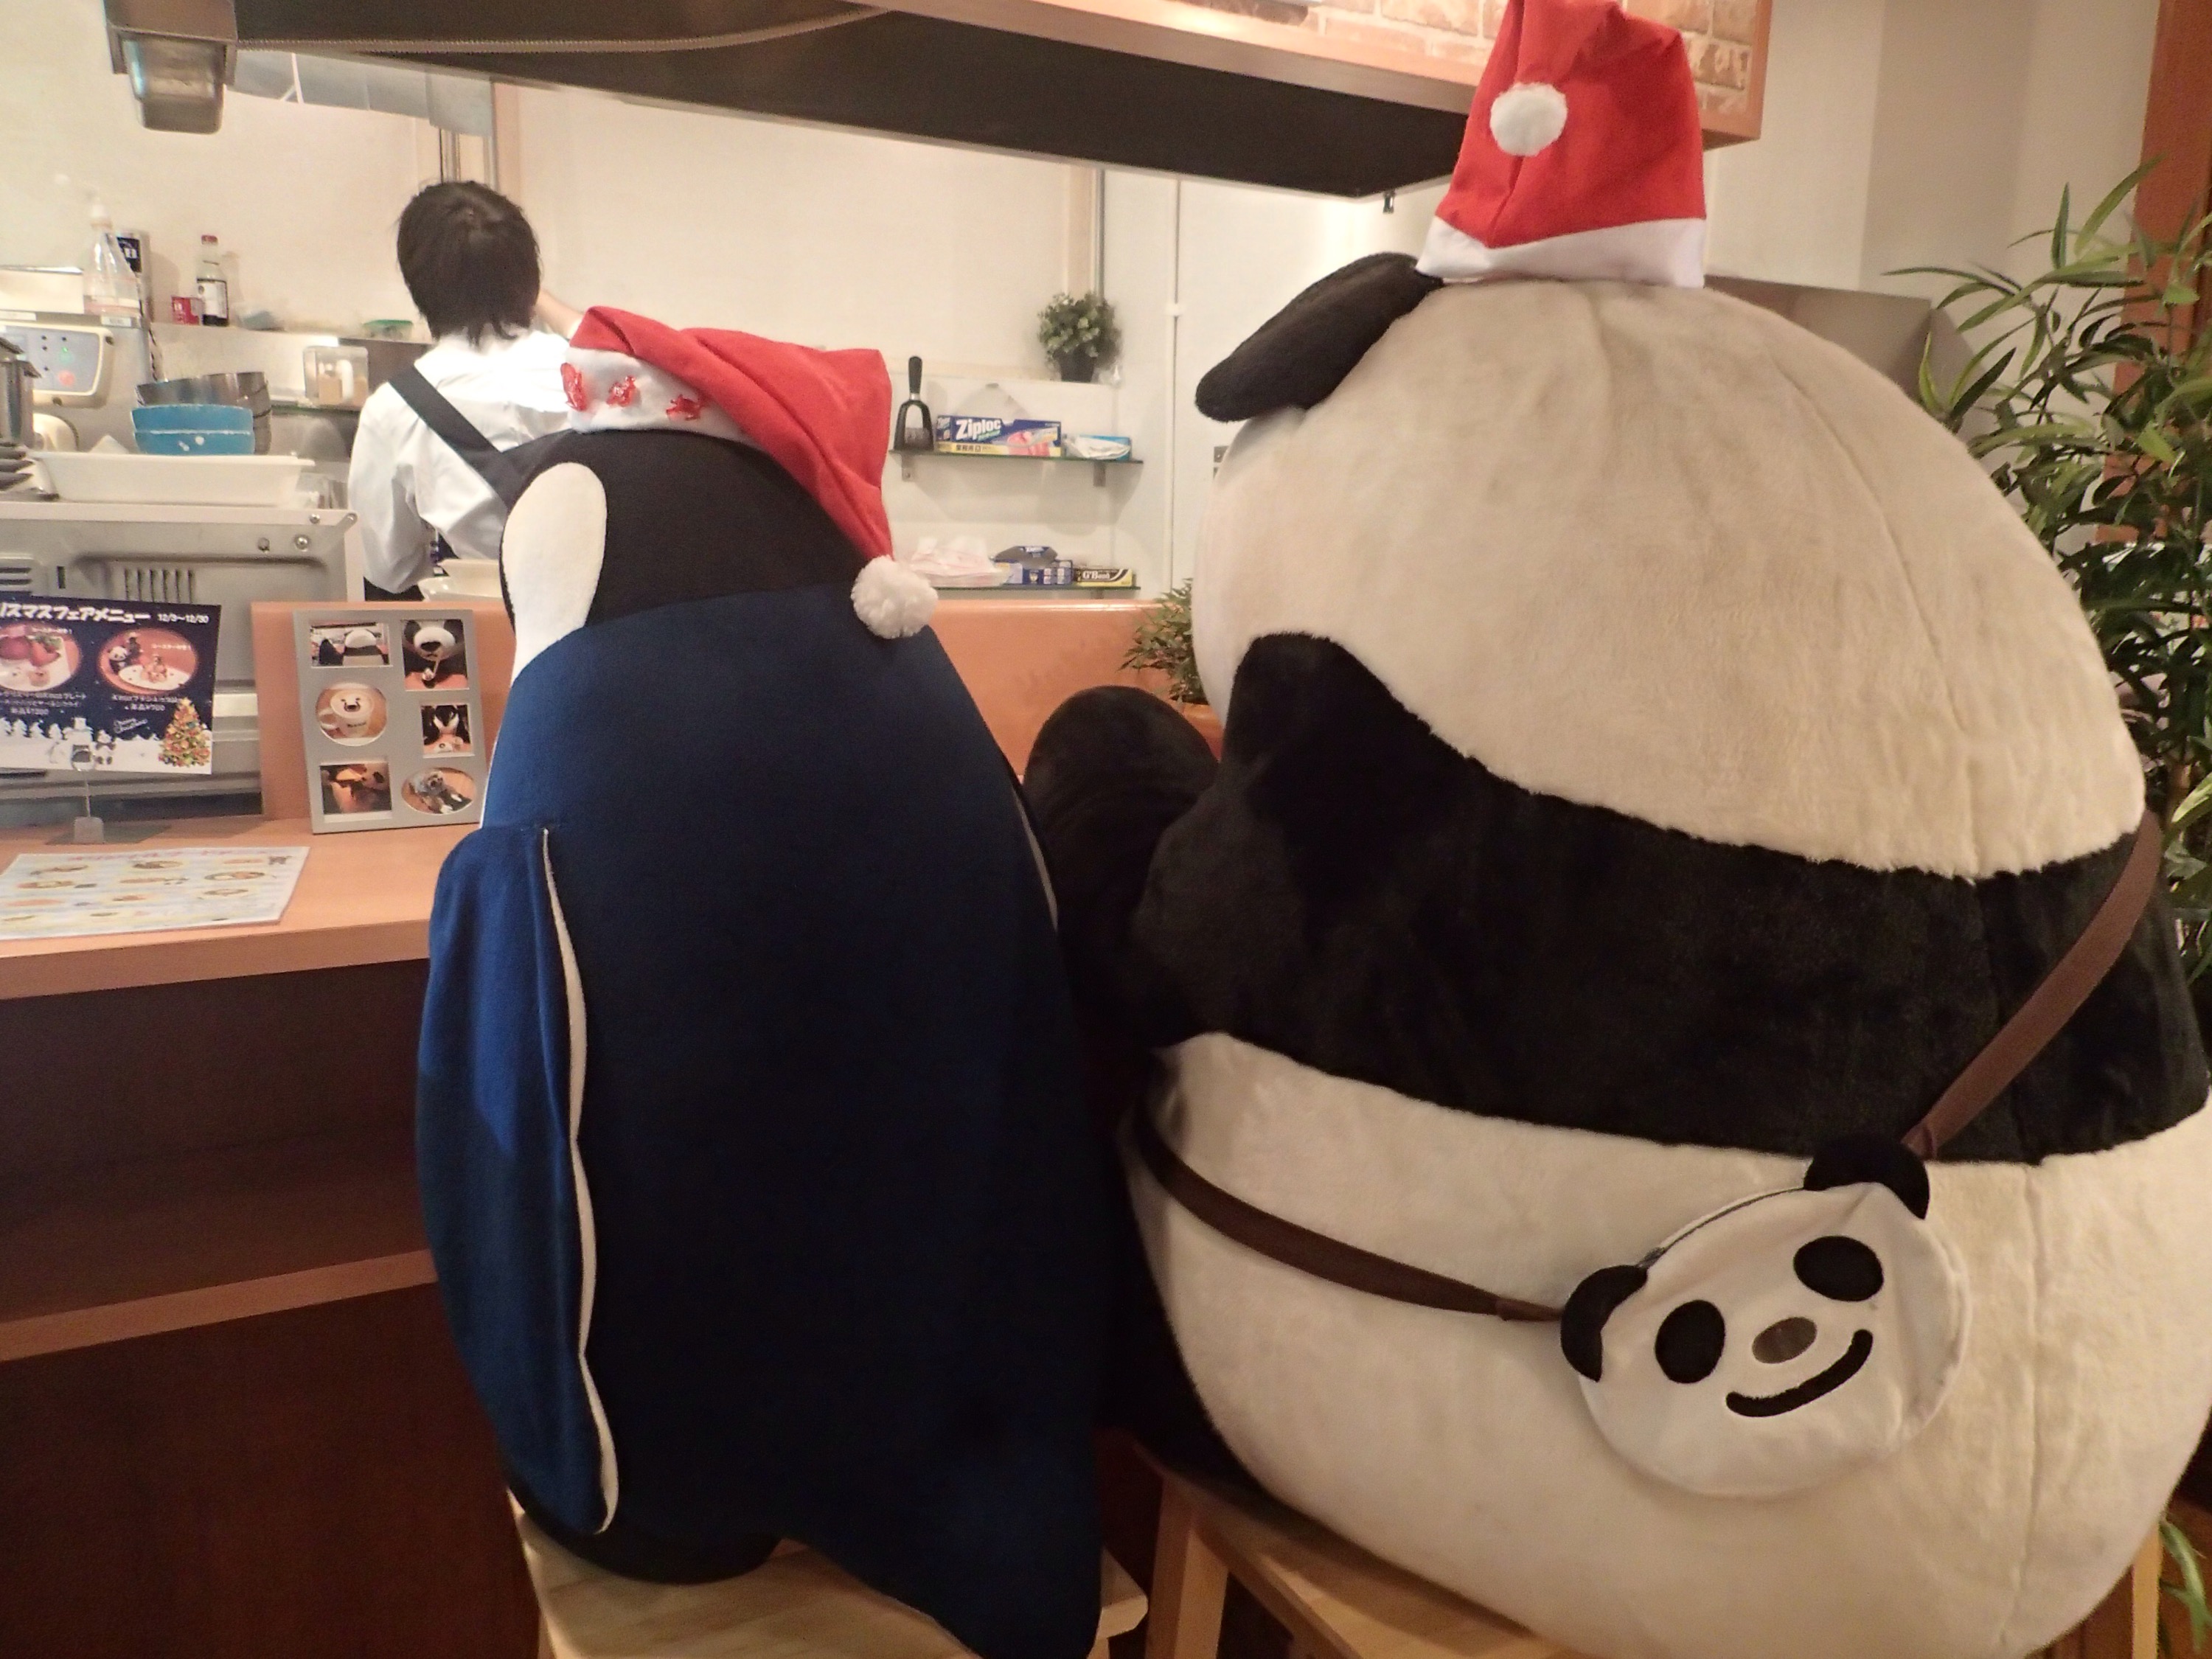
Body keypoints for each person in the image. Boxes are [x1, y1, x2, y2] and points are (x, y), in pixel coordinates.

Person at [349, 183, 582, 598]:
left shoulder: (396, 408)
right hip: (622, 615)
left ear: (418, 284)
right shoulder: (591, 367)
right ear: (529, 273)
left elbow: (388, 568)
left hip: (493, 624)